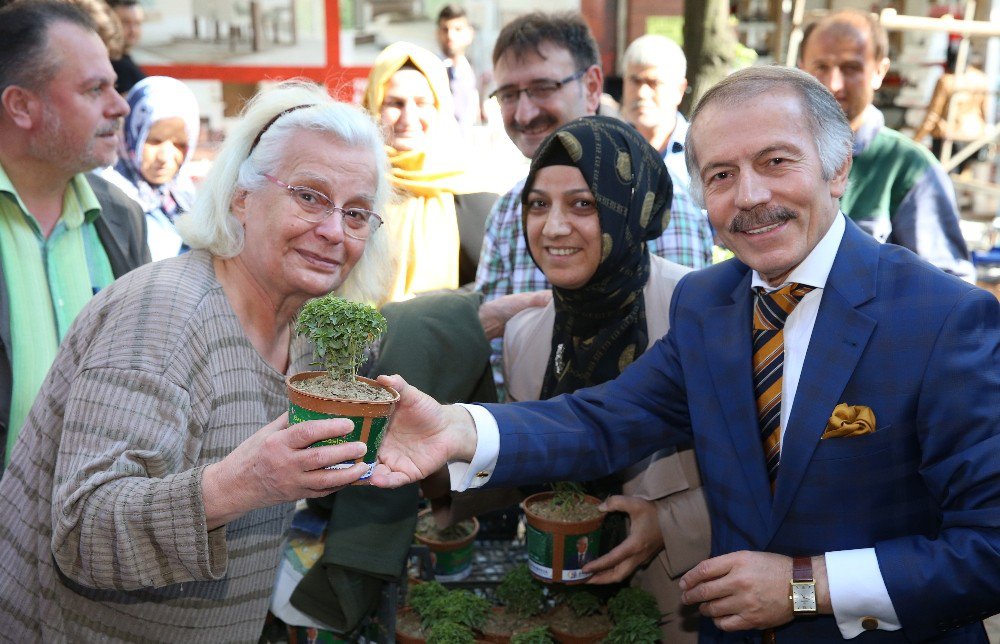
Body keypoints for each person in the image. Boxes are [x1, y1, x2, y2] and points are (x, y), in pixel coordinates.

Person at [370, 65, 1000, 642]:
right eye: (721, 175)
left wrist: (805, 586)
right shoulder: (709, 304)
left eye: (776, 161)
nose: (748, 196)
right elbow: (603, 421)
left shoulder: (943, 318)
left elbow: (988, 547)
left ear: (837, 170)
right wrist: (456, 428)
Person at [0, 79, 392, 640]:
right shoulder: (162, 314)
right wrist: (246, 481)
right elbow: (84, 534)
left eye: (357, 213)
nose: (334, 231)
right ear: (241, 196)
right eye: (309, 196)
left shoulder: (309, 333)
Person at [502, 115, 706, 641]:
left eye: (583, 204)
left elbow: (771, 471)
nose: (553, 227)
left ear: (630, 208)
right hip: (567, 611)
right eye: (538, 204)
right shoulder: (527, 339)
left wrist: (669, 524)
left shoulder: (700, 311)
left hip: (685, 609)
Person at [475, 11, 713, 398]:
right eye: (508, 94)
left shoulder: (657, 209)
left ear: (591, 86)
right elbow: (498, 367)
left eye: (542, 87)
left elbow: (692, 373)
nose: (524, 112)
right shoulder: (506, 213)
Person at [0, 0, 148, 471]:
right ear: (21, 105)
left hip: (92, 527)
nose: (120, 104)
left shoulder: (121, 216)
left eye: (115, 84)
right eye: (94, 89)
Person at [798, 8, 975, 283]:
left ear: (880, 71)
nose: (833, 84)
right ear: (800, 69)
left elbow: (950, 290)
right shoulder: (773, 158)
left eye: (851, 68)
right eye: (821, 67)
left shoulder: (909, 168)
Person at [362, 41, 494, 301]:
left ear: (441, 108)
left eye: (422, 103)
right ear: (373, 106)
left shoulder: (472, 193)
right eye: (395, 103)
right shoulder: (350, 192)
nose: (409, 117)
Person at [101, 75, 200, 261]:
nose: (164, 157)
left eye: (179, 144)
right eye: (154, 140)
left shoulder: (184, 196)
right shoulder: (108, 197)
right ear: (132, 135)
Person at [621, 34, 691, 192]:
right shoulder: (605, 148)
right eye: (635, 81)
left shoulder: (702, 149)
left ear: (679, 90)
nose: (642, 93)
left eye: (654, 83)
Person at [436, 4, 481, 128]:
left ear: (470, 34)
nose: (451, 36)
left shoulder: (471, 72)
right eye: (445, 29)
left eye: (458, 29)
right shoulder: (430, 69)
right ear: (438, 33)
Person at [107, 0, 146, 94]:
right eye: (125, 22)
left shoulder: (125, 60)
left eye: (137, 23)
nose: (133, 30)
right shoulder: (116, 65)